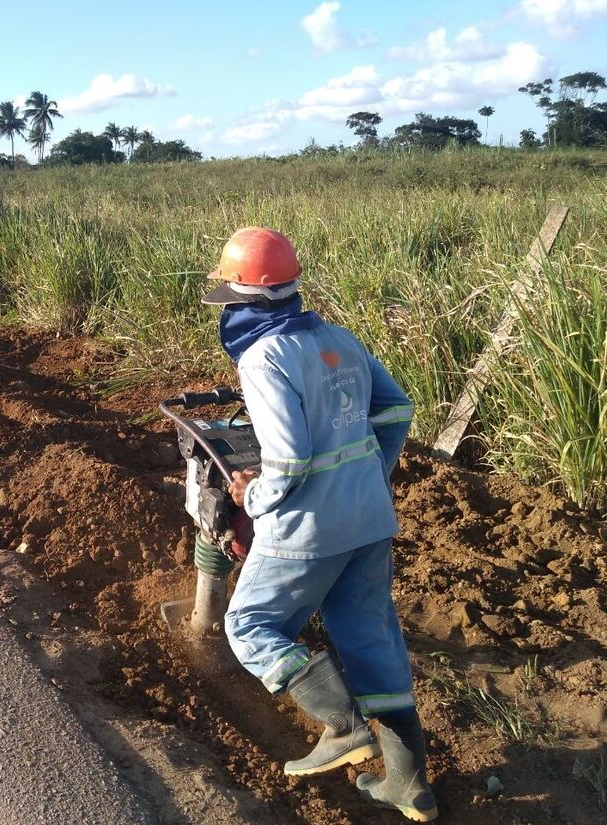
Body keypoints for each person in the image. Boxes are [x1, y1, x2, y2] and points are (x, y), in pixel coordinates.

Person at [203, 226, 437, 822]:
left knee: (250, 623)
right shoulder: (337, 337)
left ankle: (342, 727)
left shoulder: (263, 355)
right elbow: (396, 407)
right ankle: (410, 785)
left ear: (240, 298)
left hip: (307, 527)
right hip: (369, 518)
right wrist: (371, 474)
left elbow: (289, 456)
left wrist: (254, 497)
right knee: (369, 639)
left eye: (226, 298)